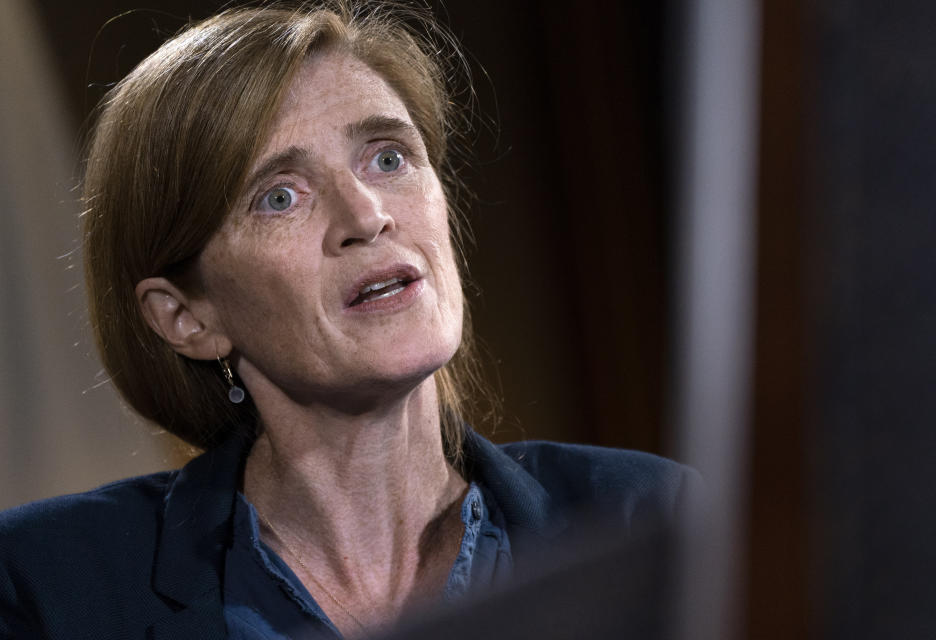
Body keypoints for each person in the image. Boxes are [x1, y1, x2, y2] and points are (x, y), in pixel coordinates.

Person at [0, 2, 697, 638]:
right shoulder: (46, 585)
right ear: (186, 316)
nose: (367, 214)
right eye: (279, 197)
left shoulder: (647, 518)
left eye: (388, 158)